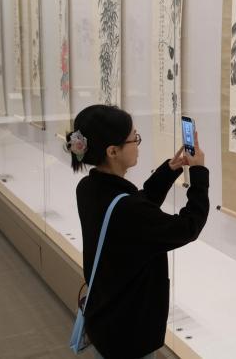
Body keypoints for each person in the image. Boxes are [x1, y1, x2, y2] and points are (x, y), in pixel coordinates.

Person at [66, 104, 209, 359]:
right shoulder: (129, 211)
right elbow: (188, 227)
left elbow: (135, 208)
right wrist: (199, 173)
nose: (138, 144)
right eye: (134, 139)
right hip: (129, 334)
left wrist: (169, 170)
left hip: (105, 319)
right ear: (112, 151)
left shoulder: (87, 187)